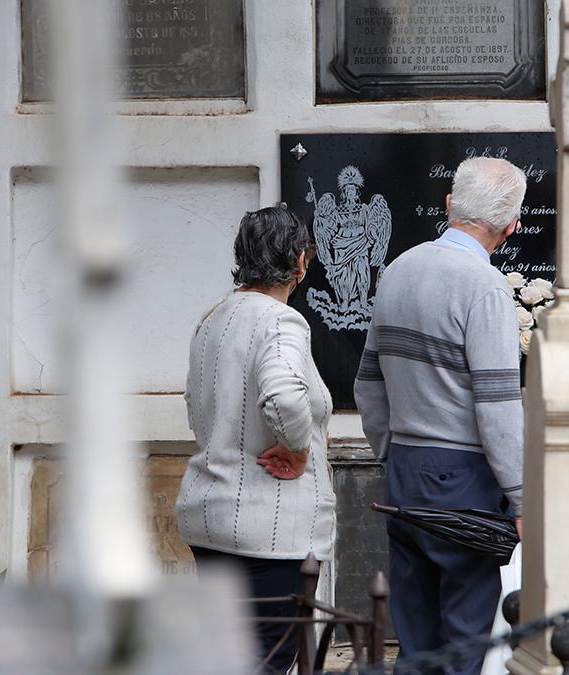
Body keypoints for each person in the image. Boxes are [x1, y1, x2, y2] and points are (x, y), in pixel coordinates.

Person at [354, 157, 527, 674]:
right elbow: (497, 405)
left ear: (450, 206)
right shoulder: (486, 288)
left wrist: (392, 451)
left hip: (405, 468)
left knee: (414, 634)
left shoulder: (396, 271)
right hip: (465, 481)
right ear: (511, 225)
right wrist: (519, 495)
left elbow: (368, 383)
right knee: (465, 637)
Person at [176, 205, 336, 673]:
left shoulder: (213, 319)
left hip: (212, 516)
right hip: (268, 530)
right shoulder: (280, 321)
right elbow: (285, 397)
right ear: (301, 262)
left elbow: (194, 406)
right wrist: (298, 450)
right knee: (265, 660)